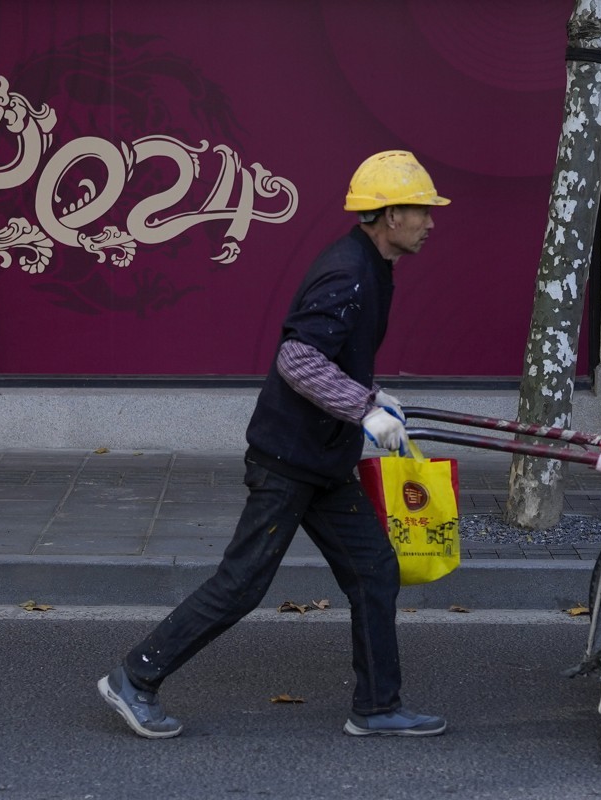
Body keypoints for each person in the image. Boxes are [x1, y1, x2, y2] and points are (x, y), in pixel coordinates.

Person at [97, 150, 451, 739]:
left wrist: (375, 396)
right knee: (241, 584)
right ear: (390, 215)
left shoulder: (373, 266)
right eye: (422, 210)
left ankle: (378, 707)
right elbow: (299, 358)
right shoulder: (350, 271)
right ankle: (135, 678)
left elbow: (335, 356)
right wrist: (363, 408)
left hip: (322, 457)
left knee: (374, 573)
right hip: (290, 461)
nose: (431, 221)